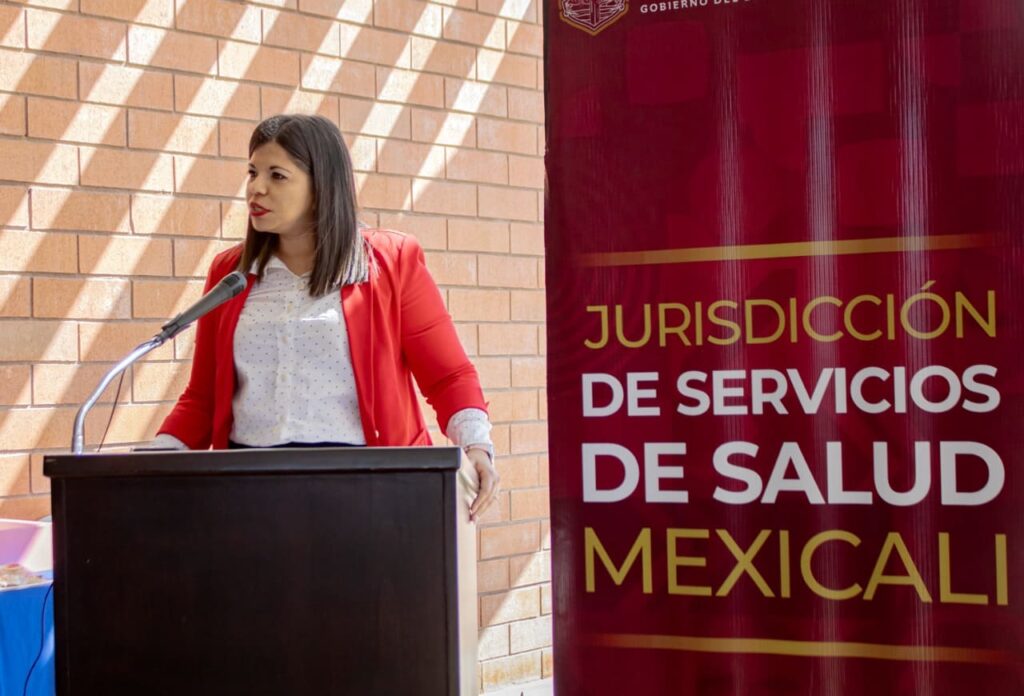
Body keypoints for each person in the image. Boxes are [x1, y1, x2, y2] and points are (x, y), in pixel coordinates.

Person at [149, 114, 500, 520]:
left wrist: (477, 446)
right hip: (248, 492)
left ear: (321, 186)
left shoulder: (389, 262)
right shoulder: (230, 275)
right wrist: (152, 462)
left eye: (277, 175)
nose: (255, 188)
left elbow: (448, 375)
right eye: (252, 172)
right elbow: (203, 398)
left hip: (369, 491)